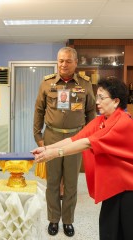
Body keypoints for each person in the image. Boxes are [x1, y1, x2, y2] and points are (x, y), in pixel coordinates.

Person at [32, 77, 133, 240]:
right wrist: (46, 148)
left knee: (126, 232)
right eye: (97, 96)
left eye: (101, 97)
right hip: (114, 186)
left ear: (115, 101)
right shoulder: (101, 120)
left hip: (128, 188)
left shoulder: (123, 122)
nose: (97, 102)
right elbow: (75, 139)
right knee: (109, 230)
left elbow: (88, 143)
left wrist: (55, 153)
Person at [33, 46, 96, 237]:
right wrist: (39, 137)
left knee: (71, 182)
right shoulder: (47, 83)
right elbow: (39, 111)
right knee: (52, 181)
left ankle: (68, 221)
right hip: (51, 137)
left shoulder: (85, 84)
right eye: (60, 60)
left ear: (76, 63)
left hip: (75, 139)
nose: (63, 64)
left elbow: (90, 111)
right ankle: (53, 219)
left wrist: (89, 137)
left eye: (68, 61)